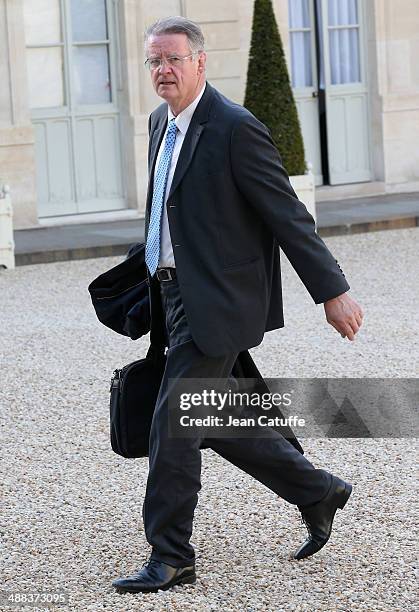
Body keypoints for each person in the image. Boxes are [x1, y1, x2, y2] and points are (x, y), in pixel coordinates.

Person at [112, 16, 364, 595]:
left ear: (201, 62)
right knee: (213, 417)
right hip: (173, 295)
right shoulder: (159, 122)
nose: (163, 70)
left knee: (173, 424)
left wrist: (332, 290)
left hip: (220, 304)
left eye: (174, 59)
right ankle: (318, 490)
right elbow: (170, 213)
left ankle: (170, 555)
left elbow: (287, 214)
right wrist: (143, 271)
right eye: (154, 61)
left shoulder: (234, 127)